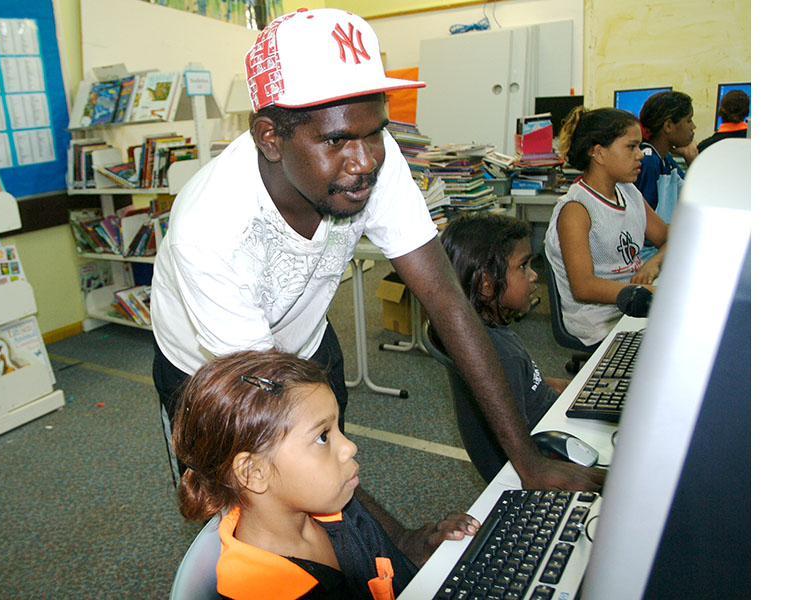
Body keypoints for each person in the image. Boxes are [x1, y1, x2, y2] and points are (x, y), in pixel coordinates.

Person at [152, 7, 604, 563]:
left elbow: (444, 298)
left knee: (326, 478)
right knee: (259, 516)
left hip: (306, 341)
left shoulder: (369, 163)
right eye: (339, 140)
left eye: (377, 133)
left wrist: (527, 459)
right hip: (210, 367)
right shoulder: (212, 231)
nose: (364, 161)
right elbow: (277, 422)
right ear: (270, 136)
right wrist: (405, 536)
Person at [171, 349, 480, 600]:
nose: (349, 448)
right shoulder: (260, 592)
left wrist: (425, 560)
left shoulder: (338, 507)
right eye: (322, 436)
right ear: (254, 472)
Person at [545, 107, 669, 347]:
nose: (641, 154)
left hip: (635, 302)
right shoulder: (577, 209)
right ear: (599, 154)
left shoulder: (629, 192)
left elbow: (668, 239)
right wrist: (645, 293)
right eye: (631, 147)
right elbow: (583, 287)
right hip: (599, 320)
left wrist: (653, 263)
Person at [440, 213, 571, 429]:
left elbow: (524, 386)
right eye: (523, 266)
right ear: (485, 282)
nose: (533, 275)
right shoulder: (502, 357)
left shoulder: (484, 331)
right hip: (553, 440)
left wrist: (561, 388)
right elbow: (524, 448)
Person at [634, 90, 695, 261]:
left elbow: (695, 197)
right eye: (689, 120)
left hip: (666, 248)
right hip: (648, 257)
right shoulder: (648, 161)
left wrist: (692, 159)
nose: (693, 127)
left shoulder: (666, 160)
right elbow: (645, 230)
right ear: (668, 126)